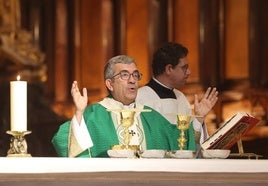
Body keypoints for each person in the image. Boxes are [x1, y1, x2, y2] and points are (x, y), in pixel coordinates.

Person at [52, 55, 196, 157]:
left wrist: (199, 120)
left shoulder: (150, 115)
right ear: (110, 84)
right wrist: (79, 113)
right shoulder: (95, 115)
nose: (132, 80)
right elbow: (62, 139)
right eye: (124, 75)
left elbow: (179, 141)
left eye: (135, 75)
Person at [136, 42, 218, 146]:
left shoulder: (181, 97)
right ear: (169, 69)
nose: (189, 72)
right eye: (184, 67)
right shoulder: (141, 98)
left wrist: (199, 118)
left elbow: (191, 142)